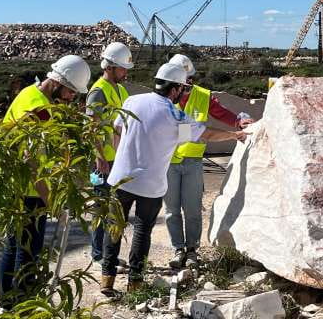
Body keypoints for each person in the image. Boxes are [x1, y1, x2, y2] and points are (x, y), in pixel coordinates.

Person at [100, 62, 219, 297]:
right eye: (182, 90)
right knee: (142, 233)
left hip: (120, 179)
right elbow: (203, 135)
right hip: (150, 186)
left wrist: (116, 160)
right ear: (174, 89)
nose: (183, 94)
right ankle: (134, 283)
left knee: (113, 229)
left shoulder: (132, 101)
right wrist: (236, 134)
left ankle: (106, 280)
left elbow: (117, 129)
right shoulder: (174, 115)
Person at [0, 54, 91, 308]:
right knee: (28, 252)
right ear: (59, 82)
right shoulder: (38, 107)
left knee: (15, 245)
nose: (72, 97)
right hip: (27, 190)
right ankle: (23, 307)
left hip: (15, 185)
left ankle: (8, 304)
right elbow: (32, 161)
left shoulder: (32, 93)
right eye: (71, 91)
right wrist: (51, 201)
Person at [164, 53, 254, 269]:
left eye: (189, 79)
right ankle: (178, 248)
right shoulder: (163, 97)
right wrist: (197, 132)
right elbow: (181, 131)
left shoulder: (203, 96)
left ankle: (192, 249)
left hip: (193, 162)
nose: (187, 84)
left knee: (193, 209)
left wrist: (239, 121)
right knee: (171, 210)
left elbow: (221, 113)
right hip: (168, 162)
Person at [86, 42, 134, 265]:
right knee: (101, 207)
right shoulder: (98, 91)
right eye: (122, 68)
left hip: (118, 157)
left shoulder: (121, 89)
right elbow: (92, 127)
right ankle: (99, 254)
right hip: (102, 161)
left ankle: (108, 253)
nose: (125, 72)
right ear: (110, 67)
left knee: (114, 208)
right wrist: (99, 158)